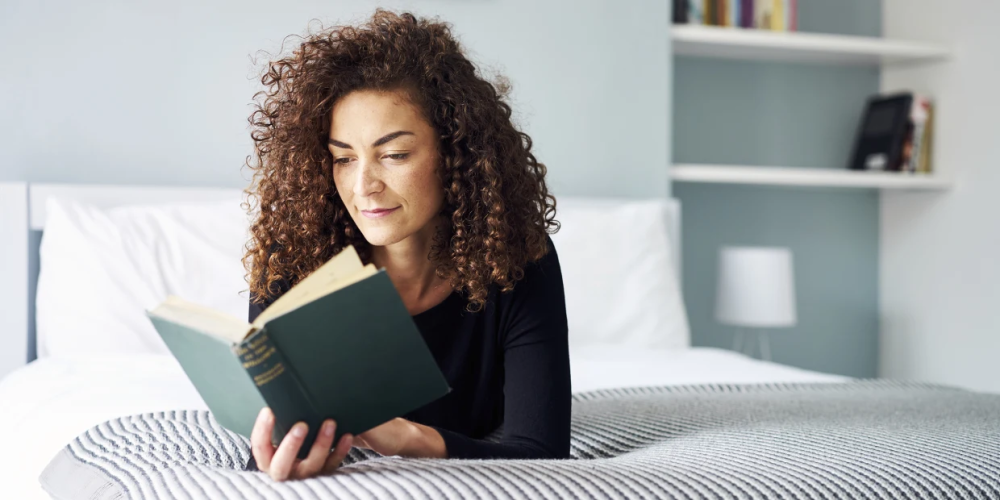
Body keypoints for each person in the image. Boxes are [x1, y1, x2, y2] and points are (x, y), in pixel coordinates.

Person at [241, 9, 570, 481]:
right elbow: (272, 436)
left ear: (457, 152)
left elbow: (541, 450)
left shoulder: (517, 258)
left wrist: (406, 438)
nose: (363, 185)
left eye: (394, 155)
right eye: (343, 159)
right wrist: (283, 457)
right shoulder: (295, 260)